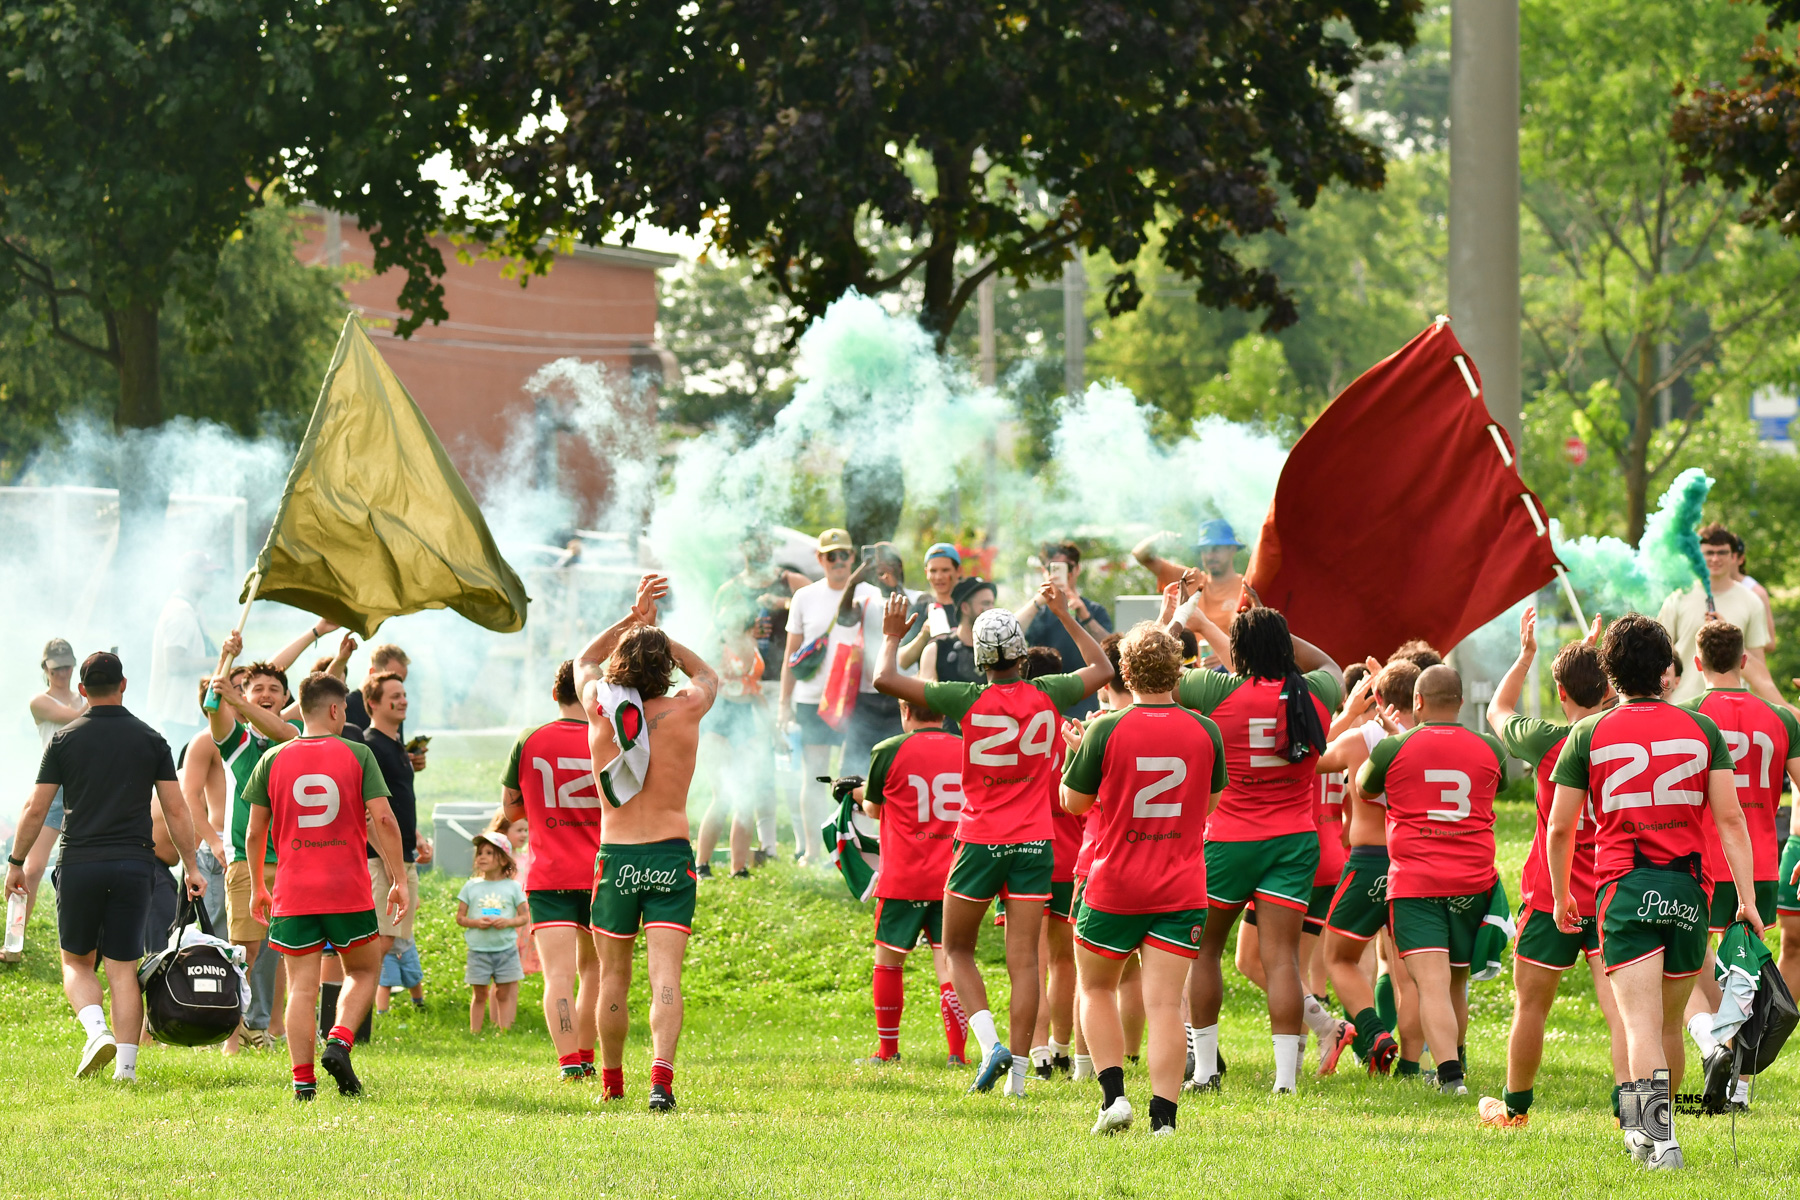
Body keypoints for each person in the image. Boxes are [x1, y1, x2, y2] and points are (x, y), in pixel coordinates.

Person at [872, 584, 1113, 1099]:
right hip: (1034, 844)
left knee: (956, 948)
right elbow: (1103, 669)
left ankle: (989, 1045)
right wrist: (1067, 616)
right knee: (1026, 961)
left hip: (980, 840)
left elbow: (883, 678)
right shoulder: (1047, 693)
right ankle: (1020, 1079)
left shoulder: (965, 697)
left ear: (980, 659)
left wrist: (892, 636)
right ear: (1023, 654)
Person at [1547, 613, 1762, 1171]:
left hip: (1623, 889)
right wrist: (1747, 899)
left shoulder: (1587, 733)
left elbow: (1562, 827)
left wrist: (1559, 895)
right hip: (1689, 889)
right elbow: (1731, 820)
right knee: (1670, 1025)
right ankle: (1654, 1132)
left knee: (1639, 1025)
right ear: (1667, 669)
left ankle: (1656, 1138)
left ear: (1610, 673)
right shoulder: (1702, 729)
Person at [5, 651, 204, 1081]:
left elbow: (37, 808)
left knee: (76, 962)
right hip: (135, 865)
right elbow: (176, 808)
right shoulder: (152, 739)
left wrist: (16, 861)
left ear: (81, 689)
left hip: (80, 861)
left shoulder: (64, 740)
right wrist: (191, 866)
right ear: (124, 685)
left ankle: (97, 1032)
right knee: (123, 968)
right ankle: (127, 1070)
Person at [1062, 623, 1226, 1135]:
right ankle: (1165, 1121)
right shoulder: (1206, 730)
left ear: (1124, 671)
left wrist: (1075, 757)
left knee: (1095, 989)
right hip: (1181, 884)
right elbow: (1211, 805)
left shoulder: (1105, 728)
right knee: (1162, 1005)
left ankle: (1114, 1099)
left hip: (1115, 881)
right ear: (1178, 669)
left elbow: (1073, 804)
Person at [1174, 605, 1342, 1095]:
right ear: (1285, 648)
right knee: (1283, 960)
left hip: (1228, 840)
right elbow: (1331, 665)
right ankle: (1285, 1082)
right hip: (1293, 841)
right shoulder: (1313, 693)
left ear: (1238, 652)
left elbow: (1159, 671)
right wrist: (1286, 636)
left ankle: (1205, 1071)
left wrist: (1183, 618)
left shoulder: (1218, 690)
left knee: (1203, 951)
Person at [1481, 607, 1627, 1128]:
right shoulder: (1624, 735)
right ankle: (1625, 1115)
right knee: (1621, 1015)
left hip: (1552, 893)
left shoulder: (1545, 738)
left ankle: (1514, 1110)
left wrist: (1526, 657)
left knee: (1531, 1008)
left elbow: (1498, 708)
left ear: (1561, 694)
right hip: (1616, 891)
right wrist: (1596, 663)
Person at [578, 574, 719, 1111]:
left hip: (616, 858)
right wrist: (661, 638)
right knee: (666, 976)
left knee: (613, 974)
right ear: (664, 669)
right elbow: (707, 673)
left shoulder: (600, 711)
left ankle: (612, 1084)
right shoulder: (685, 709)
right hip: (669, 853)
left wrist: (632, 624)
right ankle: (660, 1082)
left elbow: (583, 660)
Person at [244, 671, 408, 1101]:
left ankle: (303, 1082)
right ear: (336, 710)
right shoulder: (358, 754)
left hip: (294, 890)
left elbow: (254, 831)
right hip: (346, 887)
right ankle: (338, 1039)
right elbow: (385, 820)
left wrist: (260, 884)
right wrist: (399, 878)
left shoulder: (272, 759)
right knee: (364, 969)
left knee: (301, 984)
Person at [1355, 665, 1506, 1099]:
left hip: (1416, 881)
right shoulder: (1489, 748)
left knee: (1432, 984)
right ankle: (1455, 1058)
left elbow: (1365, 788)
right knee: (1455, 980)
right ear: (1459, 702)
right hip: (1473, 879)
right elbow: (1498, 784)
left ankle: (1451, 1077)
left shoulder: (1394, 747)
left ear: (1416, 702)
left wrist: (1394, 737)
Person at [1678, 619, 1800, 1111]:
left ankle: (1710, 1044)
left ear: (1698, 662)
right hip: (1763, 860)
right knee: (1745, 972)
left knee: (1688, 964)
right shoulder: (1782, 718)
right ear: (1745, 661)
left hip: (1703, 858)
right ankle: (1741, 1087)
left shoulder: (1687, 715)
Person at [501, 659, 606, 1080]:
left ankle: (569, 1065)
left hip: (549, 875)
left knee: (557, 975)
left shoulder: (529, 739)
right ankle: (587, 1052)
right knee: (595, 971)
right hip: (601, 872)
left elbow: (511, 809)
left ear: (554, 695)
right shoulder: (606, 736)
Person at [1314, 662, 1417, 1077]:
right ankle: (1412, 1065)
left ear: (1378, 700)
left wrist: (1348, 713)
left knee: (1337, 957)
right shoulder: (1425, 742)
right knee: (1408, 975)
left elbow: (1312, 757)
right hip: (1412, 864)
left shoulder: (1359, 739)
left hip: (1368, 861)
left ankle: (1374, 1034)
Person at [855, 696, 966, 1064]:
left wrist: (852, 791)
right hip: (953, 876)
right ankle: (957, 1053)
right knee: (949, 964)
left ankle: (887, 1051)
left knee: (888, 962)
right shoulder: (965, 748)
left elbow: (873, 809)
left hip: (904, 875)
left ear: (905, 711)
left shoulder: (887, 749)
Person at [205, 641, 303, 1053]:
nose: (265, 694)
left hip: (293, 861)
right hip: (248, 861)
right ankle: (233, 1036)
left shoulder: (291, 738)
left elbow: (281, 729)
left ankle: (276, 1029)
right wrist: (226, 661)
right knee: (243, 951)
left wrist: (237, 696)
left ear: (285, 699)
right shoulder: (237, 743)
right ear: (246, 694)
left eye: (273, 690)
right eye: (256, 688)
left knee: (288, 949)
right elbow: (213, 704)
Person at [778, 529, 884, 866]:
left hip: (858, 698)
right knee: (816, 772)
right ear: (820, 559)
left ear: (854, 557)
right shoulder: (805, 597)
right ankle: (812, 849)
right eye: (831, 555)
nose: (839, 562)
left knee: (853, 775)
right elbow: (791, 654)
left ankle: (850, 849)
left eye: (845, 555)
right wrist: (784, 703)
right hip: (813, 699)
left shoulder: (872, 595)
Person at [714, 529, 812, 861]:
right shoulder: (730, 590)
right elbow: (715, 635)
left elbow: (822, 608)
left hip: (786, 683)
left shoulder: (790, 581)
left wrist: (782, 603)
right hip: (745, 691)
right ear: (743, 546)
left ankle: (803, 845)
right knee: (760, 770)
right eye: (753, 541)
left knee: (792, 765)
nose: (760, 548)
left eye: (765, 541)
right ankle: (767, 845)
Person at [359, 670, 434, 1010]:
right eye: (394, 696)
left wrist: (416, 837)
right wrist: (390, 864)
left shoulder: (395, 746)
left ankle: (361, 1015)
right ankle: (355, 1015)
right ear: (372, 703)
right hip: (381, 859)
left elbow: (397, 802)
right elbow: (370, 813)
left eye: (404, 694)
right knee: (383, 937)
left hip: (402, 854)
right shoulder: (370, 746)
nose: (403, 700)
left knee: (394, 936)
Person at [1657, 523, 1784, 709]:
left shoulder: (1752, 601)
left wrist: (1727, 637)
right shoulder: (1677, 599)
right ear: (1698, 556)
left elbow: (1758, 668)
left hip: (1734, 709)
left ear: (1734, 557)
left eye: (1722, 552)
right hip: (1683, 707)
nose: (1715, 559)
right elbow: (1660, 658)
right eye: (1709, 553)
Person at [15, 639, 86, 952]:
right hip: (52, 789)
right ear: (45, 669)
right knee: (31, 869)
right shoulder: (39, 701)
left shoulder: (82, 697)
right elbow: (76, 718)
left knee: (86, 868)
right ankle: (15, 940)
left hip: (82, 787)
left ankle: (86, 939)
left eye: (68, 666)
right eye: (57, 668)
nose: (63, 673)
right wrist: (97, 695)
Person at [696, 585, 771, 878]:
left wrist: (773, 731)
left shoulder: (753, 638)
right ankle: (702, 864)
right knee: (722, 796)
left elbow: (756, 691)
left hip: (747, 722)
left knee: (746, 797)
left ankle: (739, 868)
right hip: (719, 721)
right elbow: (698, 672)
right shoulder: (715, 638)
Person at [1014, 542, 1114, 718]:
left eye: (1066, 567)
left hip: (1085, 704)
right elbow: (1010, 633)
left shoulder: (1093, 610)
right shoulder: (1037, 612)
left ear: (1076, 569)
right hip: (1041, 707)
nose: (1060, 573)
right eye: (1052, 567)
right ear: (1045, 571)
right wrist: (1037, 601)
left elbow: (1111, 651)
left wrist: (1085, 616)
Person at [1132, 519, 1246, 663]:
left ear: (1232, 549)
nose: (1210, 555)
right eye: (1204, 550)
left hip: (1231, 677)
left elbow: (1257, 641)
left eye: (1216, 548)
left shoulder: (1246, 587)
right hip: (1189, 677)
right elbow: (1140, 554)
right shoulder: (1190, 579)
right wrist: (1160, 539)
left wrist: (1228, 654)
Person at [147, 550, 222, 747]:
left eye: (211, 573)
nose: (210, 578)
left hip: (187, 712)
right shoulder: (180, 612)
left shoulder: (192, 608)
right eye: (204, 573)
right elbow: (175, 663)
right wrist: (220, 661)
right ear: (185, 575)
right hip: (179, 713)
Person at [458, 832, 530, 1033]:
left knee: (503, 993)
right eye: (479, 853)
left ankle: (504, 1031)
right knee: (480, 994)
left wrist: (507, 922)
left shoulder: (513, 887)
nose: (482, 857)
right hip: (478, 951)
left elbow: (524, 917)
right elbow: (460, 918)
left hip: (506, 950)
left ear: (503, 858)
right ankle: (475, 1032)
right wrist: (475, 922)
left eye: (489, 853)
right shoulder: (471, 886)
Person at [917, 577, 996, 697]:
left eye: (992, 603)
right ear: (965, 608)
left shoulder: (998, 650)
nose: (992, 610)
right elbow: (925, 703)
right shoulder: (935, 651)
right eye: (985, 604)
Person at [898, 542, 964, 670]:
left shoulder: (968, 607)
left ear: (958, 571)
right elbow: (903, 661)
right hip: (930, 686)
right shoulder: (921, 610)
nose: (939, 577)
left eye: (945, 570)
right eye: (933, 571)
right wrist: (924, 634)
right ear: (926, 572)